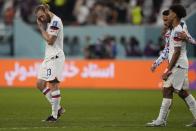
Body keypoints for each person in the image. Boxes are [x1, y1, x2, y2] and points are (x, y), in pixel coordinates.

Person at [147, 5, 196, 127]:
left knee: (167, 90)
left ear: (173, 15)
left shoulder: (179, 28)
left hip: (178, 64)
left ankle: (161, 120)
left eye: (167, 17)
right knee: (183, 93)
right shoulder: (172, 30)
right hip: (179, 64)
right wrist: (156, 64)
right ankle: (161, 120)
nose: (165, 21)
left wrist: (168, 70)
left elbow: (177, 51)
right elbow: (167, 51)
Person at [35, 4, 65, 122]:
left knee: (53, 85)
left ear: (47, 10)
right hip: (48, 57)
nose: (41, 19)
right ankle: (59, 108)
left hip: (55, 57)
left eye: (42, 16)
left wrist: (41, 28)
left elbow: (50, 40)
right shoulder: (49, 22)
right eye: (39, 18)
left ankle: (54, 115)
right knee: (40, 84)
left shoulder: (55, 22)